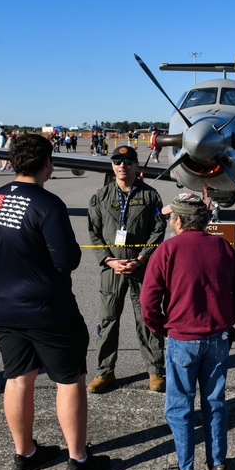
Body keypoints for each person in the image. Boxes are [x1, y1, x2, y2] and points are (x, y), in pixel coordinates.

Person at [0, 132, 109, 470]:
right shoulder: (48, 204)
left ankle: (25, 453)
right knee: (69, 380)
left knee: (17, 379)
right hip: (49, 311)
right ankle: (79, 460)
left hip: (3, 308)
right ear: (47, 162)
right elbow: (66, 260)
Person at [140, 193, 235, 470]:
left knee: (179, 405)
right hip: (217, 337)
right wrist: (228, 320)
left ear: (178, 220)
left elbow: (148, 302)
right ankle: (218, 464)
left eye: (171, 217)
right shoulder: (221, 247)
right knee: (214, 401)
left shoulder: (166, 250)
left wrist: (161, 328)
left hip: (182, 339)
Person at [86, 145, 168, 393]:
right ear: (112, 165)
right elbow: (93, 232)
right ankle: (104, 372)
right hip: (112, 270)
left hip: (141, 268)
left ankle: (155, 371)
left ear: (136, 166)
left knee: (147, 319)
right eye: (117, 161)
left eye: (127, 161)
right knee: (108, 321)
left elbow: (158, 230)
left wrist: (141, 258)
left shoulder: (150, 195)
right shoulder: (100, 196)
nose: (122, 166)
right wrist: (109, 260)